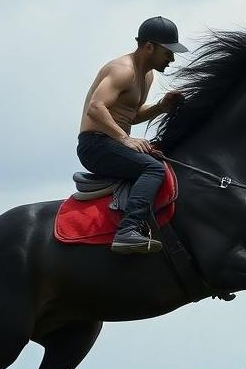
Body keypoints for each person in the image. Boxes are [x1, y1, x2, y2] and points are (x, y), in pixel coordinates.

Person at [77, 16, 187, 254]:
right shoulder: (123, 70)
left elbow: (132, 116)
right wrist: (126, 139)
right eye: (168, 52)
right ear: (149, 46)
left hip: (110, 141)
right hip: (95, 145)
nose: (172, 59)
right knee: (153, 169)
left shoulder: (147, 75)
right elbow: (96, 108)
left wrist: (161, 106)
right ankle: (128, 230)